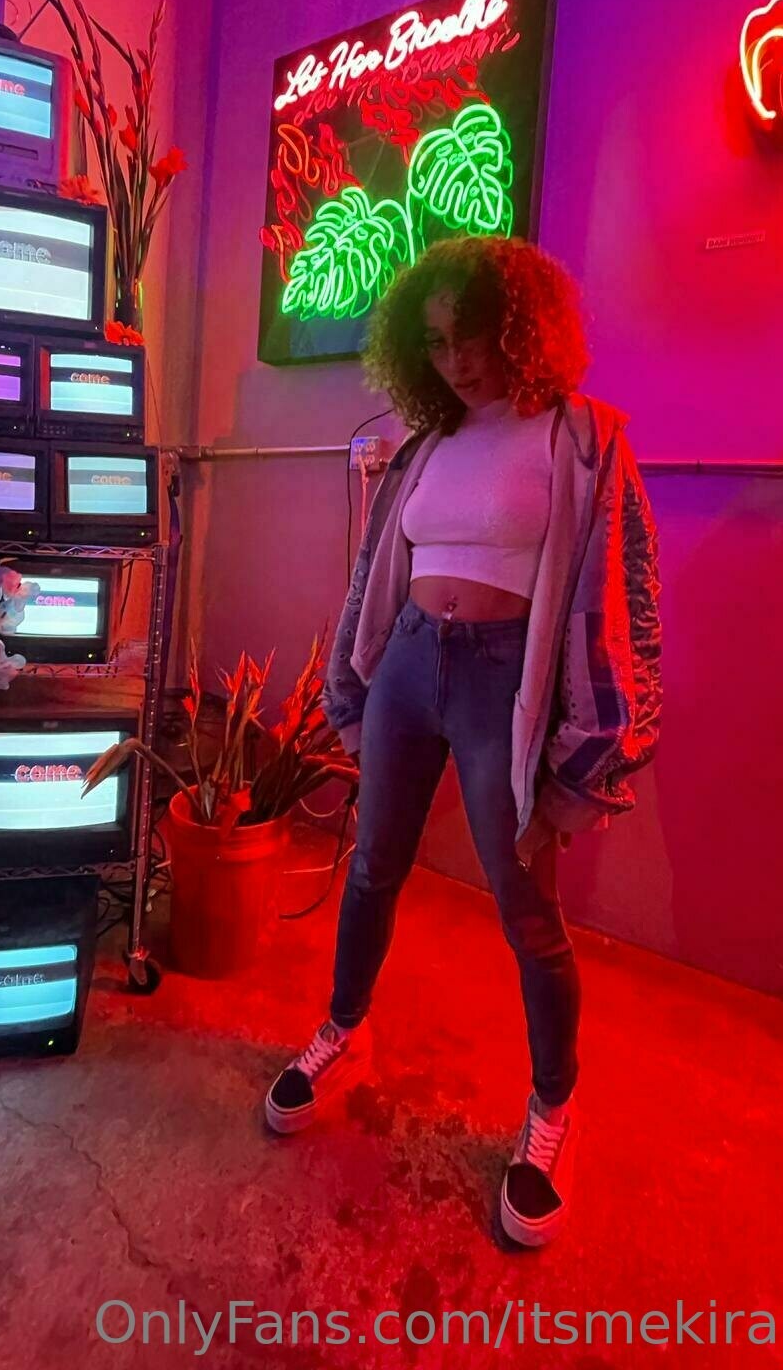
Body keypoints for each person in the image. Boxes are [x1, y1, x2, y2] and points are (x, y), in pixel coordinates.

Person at [264, 236, 663, 1247]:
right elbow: (376, 574)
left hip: (503, 685)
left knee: (527, 910)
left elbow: (625, 595)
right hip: (409, 665)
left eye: (474, 335)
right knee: (371, 868)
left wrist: (590, 758)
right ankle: (343, 1026)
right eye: (436, 343)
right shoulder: (425, 442)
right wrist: (354, 683)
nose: (458, 360)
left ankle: (553, 1107)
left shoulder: (582, 436)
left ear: (523, 327)